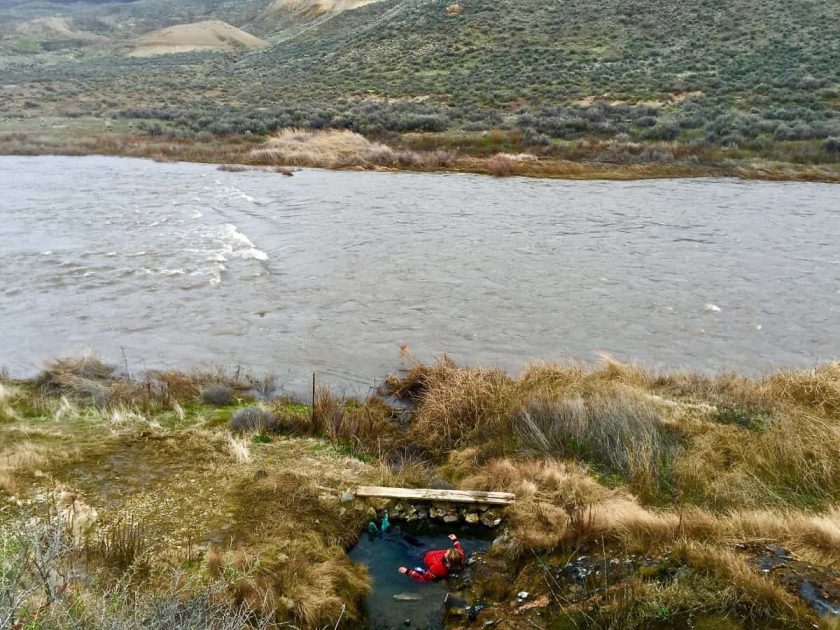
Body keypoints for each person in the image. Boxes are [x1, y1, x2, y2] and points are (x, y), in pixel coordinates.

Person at [397, 534, 465, 582]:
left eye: (446, 553)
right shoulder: (460, 555)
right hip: (427, 550)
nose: (445, 552)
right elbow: (458, 548)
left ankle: (391, 537)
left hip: (420, 557)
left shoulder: (438, 569)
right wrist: (454, 540)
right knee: (409, 538)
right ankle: (398, 532)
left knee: (405, 545)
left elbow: (424, 578)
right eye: (448, 550)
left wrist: (407, 571)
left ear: (447, 560)